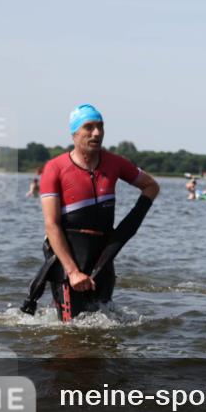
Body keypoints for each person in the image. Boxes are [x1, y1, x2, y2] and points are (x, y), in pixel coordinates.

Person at [31, 104, 160, 321]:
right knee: (71, 331)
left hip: (103, 256)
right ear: (74, 133)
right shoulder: (55, 168)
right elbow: (51, 225)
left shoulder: (116, 163)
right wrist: (72, 272)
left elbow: (151, 186)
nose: (97, 133)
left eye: (100, 127)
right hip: (69, 256)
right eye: (89, 127)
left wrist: (128, 227)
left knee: (104, 323)